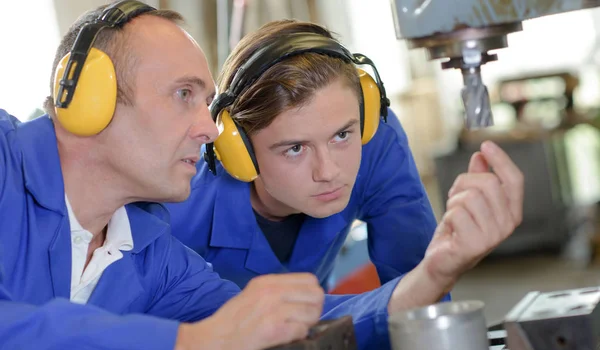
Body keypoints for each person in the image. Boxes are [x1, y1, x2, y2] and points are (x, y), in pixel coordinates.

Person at [0, 2, 523, 350]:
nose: (208, 129)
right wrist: (192, 348)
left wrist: (436, 270)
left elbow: (301, 336)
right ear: (86, 98)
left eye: (207, 104)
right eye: (184, 94)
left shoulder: (155, 259)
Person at [165, 19, 524, 292]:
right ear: (237, 149)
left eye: (341, 135)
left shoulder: (374, 139)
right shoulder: (176, 214)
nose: (329, 171)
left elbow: (413, 280)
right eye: (295, 148)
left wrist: (445, 263)